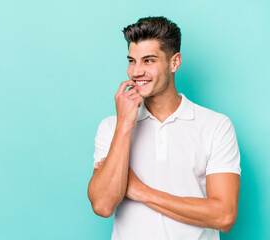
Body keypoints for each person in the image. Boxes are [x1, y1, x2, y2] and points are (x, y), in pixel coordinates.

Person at [87, 16, 241, 240]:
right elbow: (102, 205)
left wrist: (141, 191)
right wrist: (124, 125)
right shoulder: (111, 127)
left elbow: (224, 216)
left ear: (174, 62)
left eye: (148, 61)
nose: (136, 72)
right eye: (132, 60)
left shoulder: (216, 126)